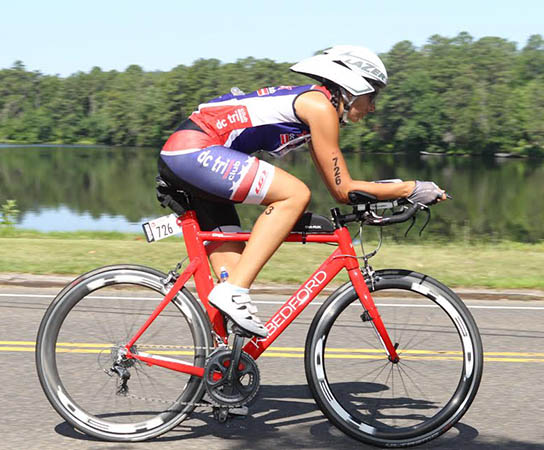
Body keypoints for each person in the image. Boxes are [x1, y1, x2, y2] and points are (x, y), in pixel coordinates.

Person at [158, 45, 446, 338]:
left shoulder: (314, 109)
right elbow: (344, 189)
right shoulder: (319, 108)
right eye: (373, 96)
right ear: (352, 86)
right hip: (194, 150)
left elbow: (339, 188)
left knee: (233, 281)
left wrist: (391, 194)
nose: (373, 107)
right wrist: (410, 188)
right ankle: (233, 291)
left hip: (193, 156)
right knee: (294, 194)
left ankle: (218, 368)